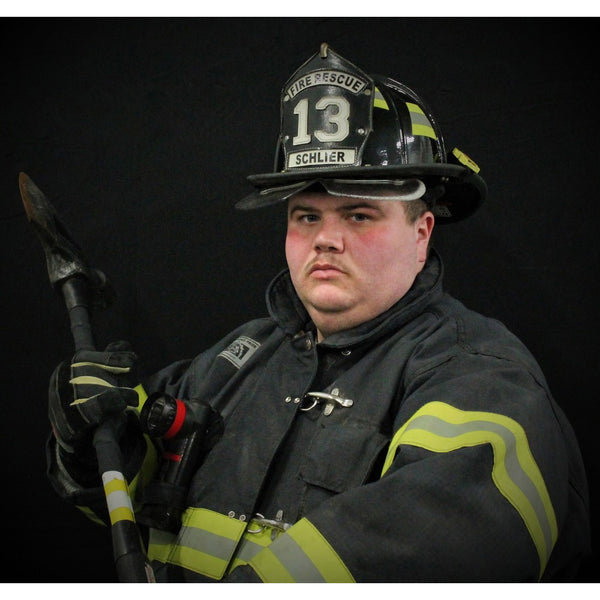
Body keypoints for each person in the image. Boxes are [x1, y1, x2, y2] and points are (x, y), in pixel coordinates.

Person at [46, 43, 591, 583]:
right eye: (306, 216)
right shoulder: (235, 360)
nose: (325, 239)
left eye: (358, 214)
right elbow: (125, 495)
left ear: (421, 233)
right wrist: (86, 441)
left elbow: (444, 551)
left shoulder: (479, 376)